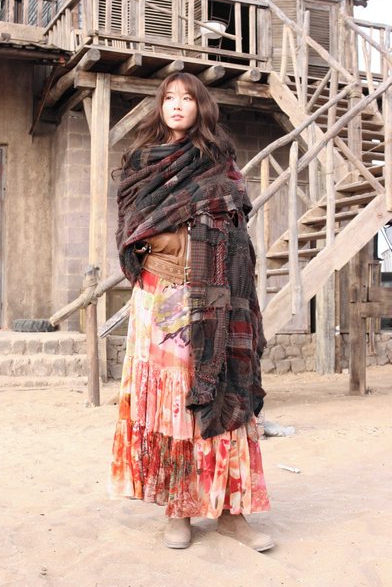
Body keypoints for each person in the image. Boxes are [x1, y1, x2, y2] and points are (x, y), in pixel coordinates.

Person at [109, 72, 274, 551]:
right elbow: (130, 227)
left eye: (187, 98)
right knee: (174, 403)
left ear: (201, 106)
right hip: (160, 296)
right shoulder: (142, 162)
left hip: (215, 295)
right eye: (169, 98)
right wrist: (160, 241)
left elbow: (237, 226)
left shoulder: (219, 161)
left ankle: (231, 512)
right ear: (160, 106)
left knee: (222, 392)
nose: (177, 105)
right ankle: (178, 509)